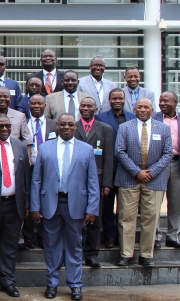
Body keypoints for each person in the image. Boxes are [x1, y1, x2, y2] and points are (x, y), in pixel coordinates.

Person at [31, 113, 99, 301]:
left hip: (76, 205)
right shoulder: (45, 148)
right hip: (51, 205)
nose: (66, 127)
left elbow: (92, 181)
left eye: (70, 124)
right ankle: (52, 284)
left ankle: (75, 285)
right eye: (63, 124)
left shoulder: (86, 149)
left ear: (75, 126)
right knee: (51, 246)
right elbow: (36, 180)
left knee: (74, 247)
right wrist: (35, 206)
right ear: (57, 126)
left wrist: (92, 209)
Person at [115, 98, 173, 267]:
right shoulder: (124, 127)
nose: (142, 110)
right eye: (139, 107)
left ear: (152, 109)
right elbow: (120, 151)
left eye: (146, 107)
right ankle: (126, 254)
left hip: (154, 180)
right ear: (134, 108)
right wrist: (136, 172)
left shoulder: (163, 128)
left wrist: (151, 173)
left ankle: (146, 255)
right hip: (129, 178)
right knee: (126, 218)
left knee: (151, 218)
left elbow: (168, 154)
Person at [0, 115, 29, 298]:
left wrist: (26, 203)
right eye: (0, 126)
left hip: (14, 204)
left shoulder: (20, 147)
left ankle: (8, 281)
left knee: (10, 245)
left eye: (7, 126)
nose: (4, 129)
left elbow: (25, 178)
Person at [75, 97, 115, 267]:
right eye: (83, 105)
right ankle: (75, 252)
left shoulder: (105, 129)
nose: (86, 108)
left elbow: (108, 158)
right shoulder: (71, 126)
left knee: (94, 217)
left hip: (96, 181)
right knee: (75, 217)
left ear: (96, 108)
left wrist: (106, 183)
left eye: (89, 106)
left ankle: (91, 253)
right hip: (74, 180)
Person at [154, 91, 180, 250]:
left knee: (175, 202)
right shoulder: (154, 118)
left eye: (166, 101)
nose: (162, 104)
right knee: (156, 201)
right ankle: (155, 236)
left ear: (175, 102)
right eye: (160, 101)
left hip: (178, 165)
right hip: (158, 165)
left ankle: (172, 236)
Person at [95, 88, 134, 248]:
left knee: (126, 207)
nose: (117, 101)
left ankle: (122, 237)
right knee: (107, 206)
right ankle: (109, 234)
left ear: (124, 100)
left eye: (120, 98)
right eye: (114, 98)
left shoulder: (133, 117)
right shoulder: (101, 118)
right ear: (109, 100)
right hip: (109, 169)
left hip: (128, 170)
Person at [22, 93, 57, 249]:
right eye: (33, 103)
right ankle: (28, 236)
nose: (36, 106)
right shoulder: (23, 123)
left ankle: (44, 236)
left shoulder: (55, 124)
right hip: (28, 168)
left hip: (48, 169)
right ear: (28, 106)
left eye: (40, 103)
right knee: (29, 201)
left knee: (45, 200)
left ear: (45, 106)